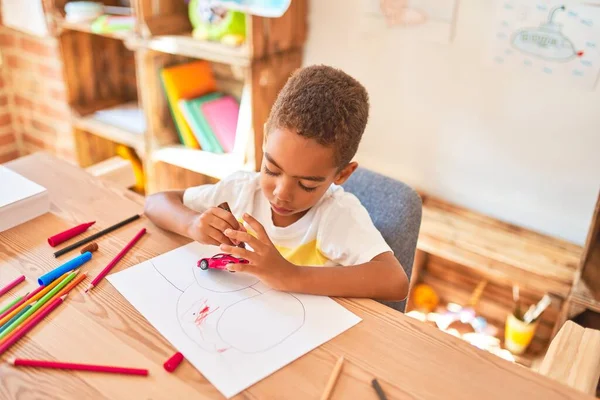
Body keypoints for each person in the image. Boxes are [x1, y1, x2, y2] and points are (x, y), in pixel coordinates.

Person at [144, 64, 408, 302]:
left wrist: (291, 276)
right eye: (271, 170)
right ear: (265, 138)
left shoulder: (336, 215)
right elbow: (156, 202)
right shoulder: (242, 191)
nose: (282, 193)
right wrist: (191, 224)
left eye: (306, 184)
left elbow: (395, 281)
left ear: (342, 175)